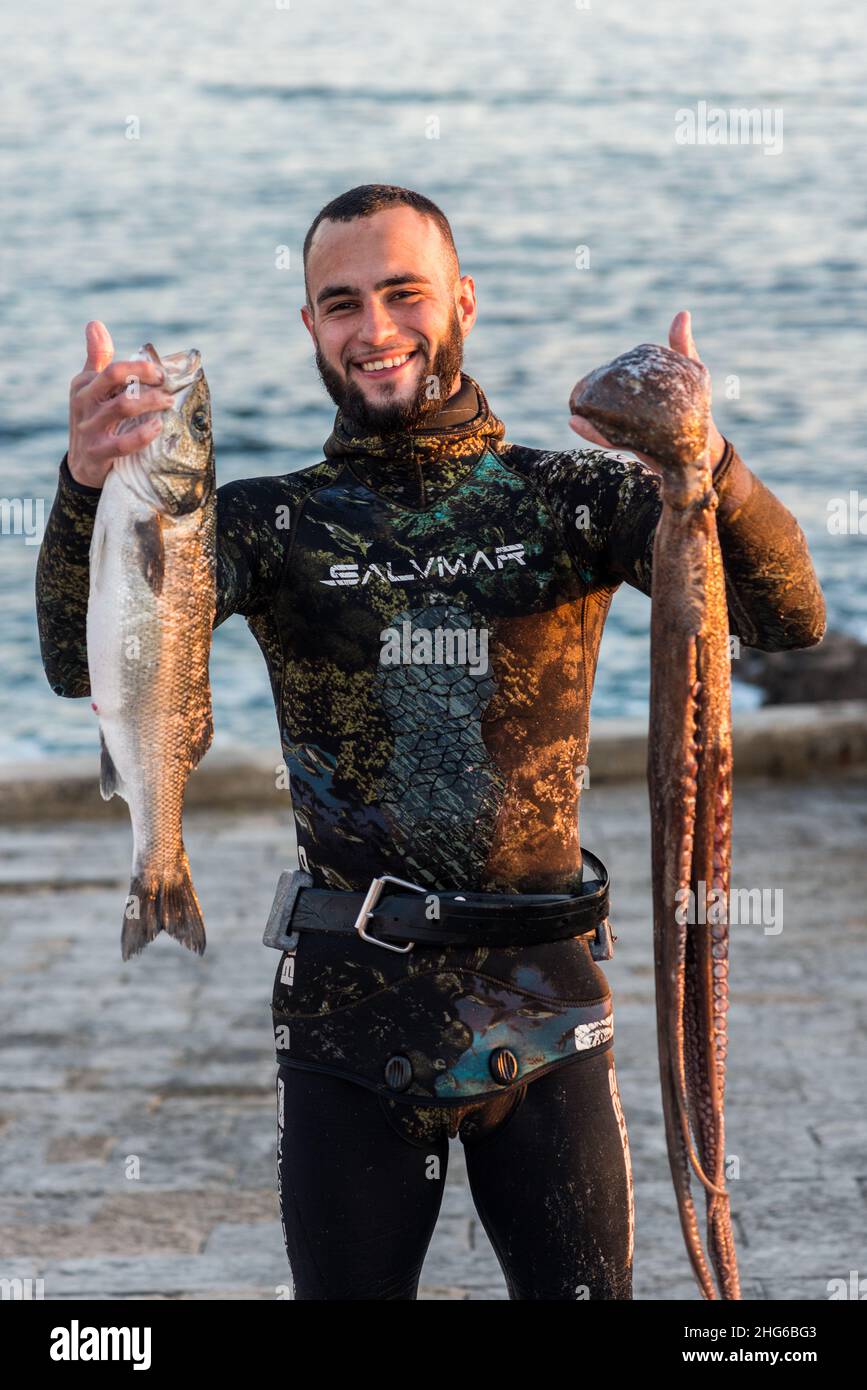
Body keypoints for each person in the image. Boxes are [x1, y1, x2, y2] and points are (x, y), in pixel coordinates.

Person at [35, 184, 825, 1301]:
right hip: (347, 1013)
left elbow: (786, 615)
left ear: (462, 300)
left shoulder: (570, 499)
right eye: (342, 302)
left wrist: (710, 465)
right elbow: (83, 661)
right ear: (311, 326)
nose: (376, 328)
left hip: (547, 1004)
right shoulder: (267, 521)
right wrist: (82, 485)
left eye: (404, 293)